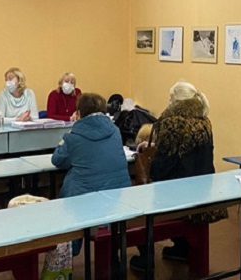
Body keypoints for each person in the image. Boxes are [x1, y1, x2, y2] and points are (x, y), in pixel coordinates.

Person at [130, 81, 217, 272]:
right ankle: (181, 248)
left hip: (176, 197)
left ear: (176, 100)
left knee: (139, 204)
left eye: (170, 98)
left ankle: (146, 258)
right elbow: (189, 154)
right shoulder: (204, 122)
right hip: (202, 193)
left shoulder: (171, 123)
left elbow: (163, 166)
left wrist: (152, 167)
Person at [52, 93, 131, 255]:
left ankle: (70, 250)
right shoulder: (115, 131)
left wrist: (63, 141)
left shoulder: (74, 136)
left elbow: (58, 160)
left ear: (79, 113)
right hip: (119, 194)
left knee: (69, 191)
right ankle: (113, 256)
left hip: (84, 199)